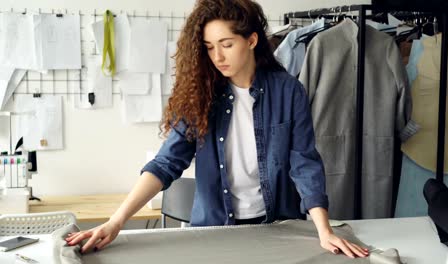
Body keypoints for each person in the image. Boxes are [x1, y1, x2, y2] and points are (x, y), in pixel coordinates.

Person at [66, 0, 368, 258]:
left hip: (275, 227)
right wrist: (115, 222)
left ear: (251, 40)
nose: (217, 57)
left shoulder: (288, 91)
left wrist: (324, 230)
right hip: (215, 229)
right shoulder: (202, 94)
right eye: (210, 47)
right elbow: (166, 163)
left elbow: (304, 163)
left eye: (227, 44)